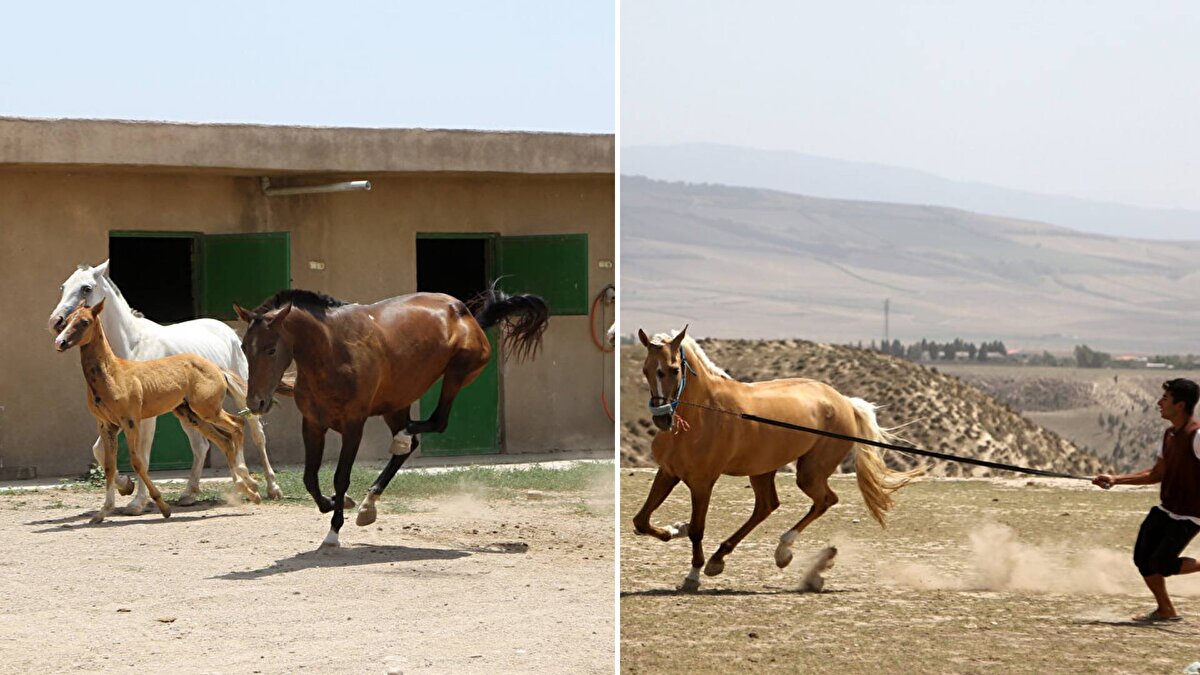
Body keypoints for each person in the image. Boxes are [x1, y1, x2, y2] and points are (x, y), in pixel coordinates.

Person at [1094, 378, 1200, 622]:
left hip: (1190, 514)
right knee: (1143, 561)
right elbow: (1156, 474)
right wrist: (1115, 479)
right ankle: (1166, 610)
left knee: (1162, 563)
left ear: (1180, 405)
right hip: (1167, 509)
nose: (1159, 403)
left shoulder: (1196, 436)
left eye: (1165, 399)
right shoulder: (1170, 435)